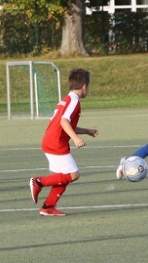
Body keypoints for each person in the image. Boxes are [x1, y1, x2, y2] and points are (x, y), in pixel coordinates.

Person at [29, 68, 98, 216]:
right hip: (56, 143)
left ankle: (48, 207)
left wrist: (87, 131)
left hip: (51, 140)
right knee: (73, 174)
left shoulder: (66, 100)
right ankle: (38, 181)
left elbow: (65, 124)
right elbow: (64, 121)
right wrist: (76, 138)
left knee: (63, 176)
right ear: (84, 86)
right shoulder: (74, 102)